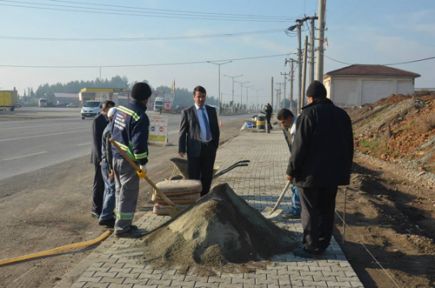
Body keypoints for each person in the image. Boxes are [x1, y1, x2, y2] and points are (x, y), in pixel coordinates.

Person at [287, 81, 354, 258]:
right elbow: (349, 146)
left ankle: (310, 247)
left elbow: (299, 147)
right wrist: (345, 170)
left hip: (310, 175)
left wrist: (291, 170)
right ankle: (323, 243)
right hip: (333, 175)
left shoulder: (308, 115)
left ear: (310, 97)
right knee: (327, 209)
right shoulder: (342, 115)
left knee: (309, 210)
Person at [111, 82, 151, 238]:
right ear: (146, 99)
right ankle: (122, 229)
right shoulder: (140, 116)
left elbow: (113, 131)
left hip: (116, 156)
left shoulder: (120, 109)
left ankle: (121, 223)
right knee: (128, 194)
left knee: (119, 192)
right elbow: (139, 144)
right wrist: (143, 163)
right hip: (129, 162)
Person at [178, 85, 220, 196]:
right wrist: (181, 148)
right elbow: (182, 132)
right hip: (194, 149)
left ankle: (205, 196)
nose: (201, 99)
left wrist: (215, 145)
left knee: (207, 175)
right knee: (194, 176)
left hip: (209, 148)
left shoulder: (211, 111)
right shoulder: (187, 112)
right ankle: (194, 197)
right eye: (198, 96)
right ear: (194, 97)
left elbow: (215, 129)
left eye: (203, 96)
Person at [90, 100, 115, 218]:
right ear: (103, 109)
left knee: (107, 184)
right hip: (99, 157)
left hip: (107, 157)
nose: (108, 110)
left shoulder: (110, 120)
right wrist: (100, 159)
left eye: (111, 108)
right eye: (107, 108)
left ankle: (104, 207)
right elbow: (96, 141)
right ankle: (96, 208)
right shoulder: (97, 120)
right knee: (98, 183)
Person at [277, 108, 301, 218]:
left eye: (283, 122)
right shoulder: (289, 127)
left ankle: (296, 211)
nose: (282, 125)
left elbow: (297, 152)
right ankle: (297, 208)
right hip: (296, 160)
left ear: (289, 118)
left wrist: (291, 171)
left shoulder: (298, 129)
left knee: (297, 186)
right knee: (294, 186)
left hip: (302, 162)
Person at [98, 107, 117, 228]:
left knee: (108, 189)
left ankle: (107, 214)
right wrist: (111, 169)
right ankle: (105, 217)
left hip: (104, 163)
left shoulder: (109, 127)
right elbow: (110, 152)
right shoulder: (111, 129)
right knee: (112, 189)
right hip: (108, 164)